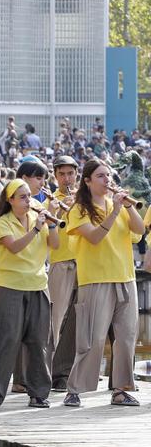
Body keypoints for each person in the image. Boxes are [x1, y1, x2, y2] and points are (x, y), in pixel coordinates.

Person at [62, 159, 143, 407]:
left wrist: (129, 207)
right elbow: (96, 237)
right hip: (95, 279)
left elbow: (139, 230)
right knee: (93, 338)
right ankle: (74, 388)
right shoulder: (79, 210)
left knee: (127, 337)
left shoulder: (116, 204)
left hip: (125, 277)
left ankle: (120, 389)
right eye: (100, 176)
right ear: (87, 181)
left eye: (108, 175)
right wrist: (116, 211)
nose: (107, 180)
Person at [0, 179, 59, 409]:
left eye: (29, 196)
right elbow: (14, 247)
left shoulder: (36, 217)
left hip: (38, 285)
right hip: (10, 286)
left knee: (38, 342)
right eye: (22, 197)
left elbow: (56, 245)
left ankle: (39, 392)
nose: (27, 200)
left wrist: (51, 222)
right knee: (4, 340)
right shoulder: (3, 222)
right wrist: (37, 228)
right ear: (10, 200)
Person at [47, 156, 79, 391]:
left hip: (85, 263)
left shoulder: (84, 199)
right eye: (62, 174)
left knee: (82, 319)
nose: (67, 178)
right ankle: (53, 371)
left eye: (70, 174)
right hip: (61, 262)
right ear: (55, 176)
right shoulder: (52, 201)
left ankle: (75, 370)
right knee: (57, 318)